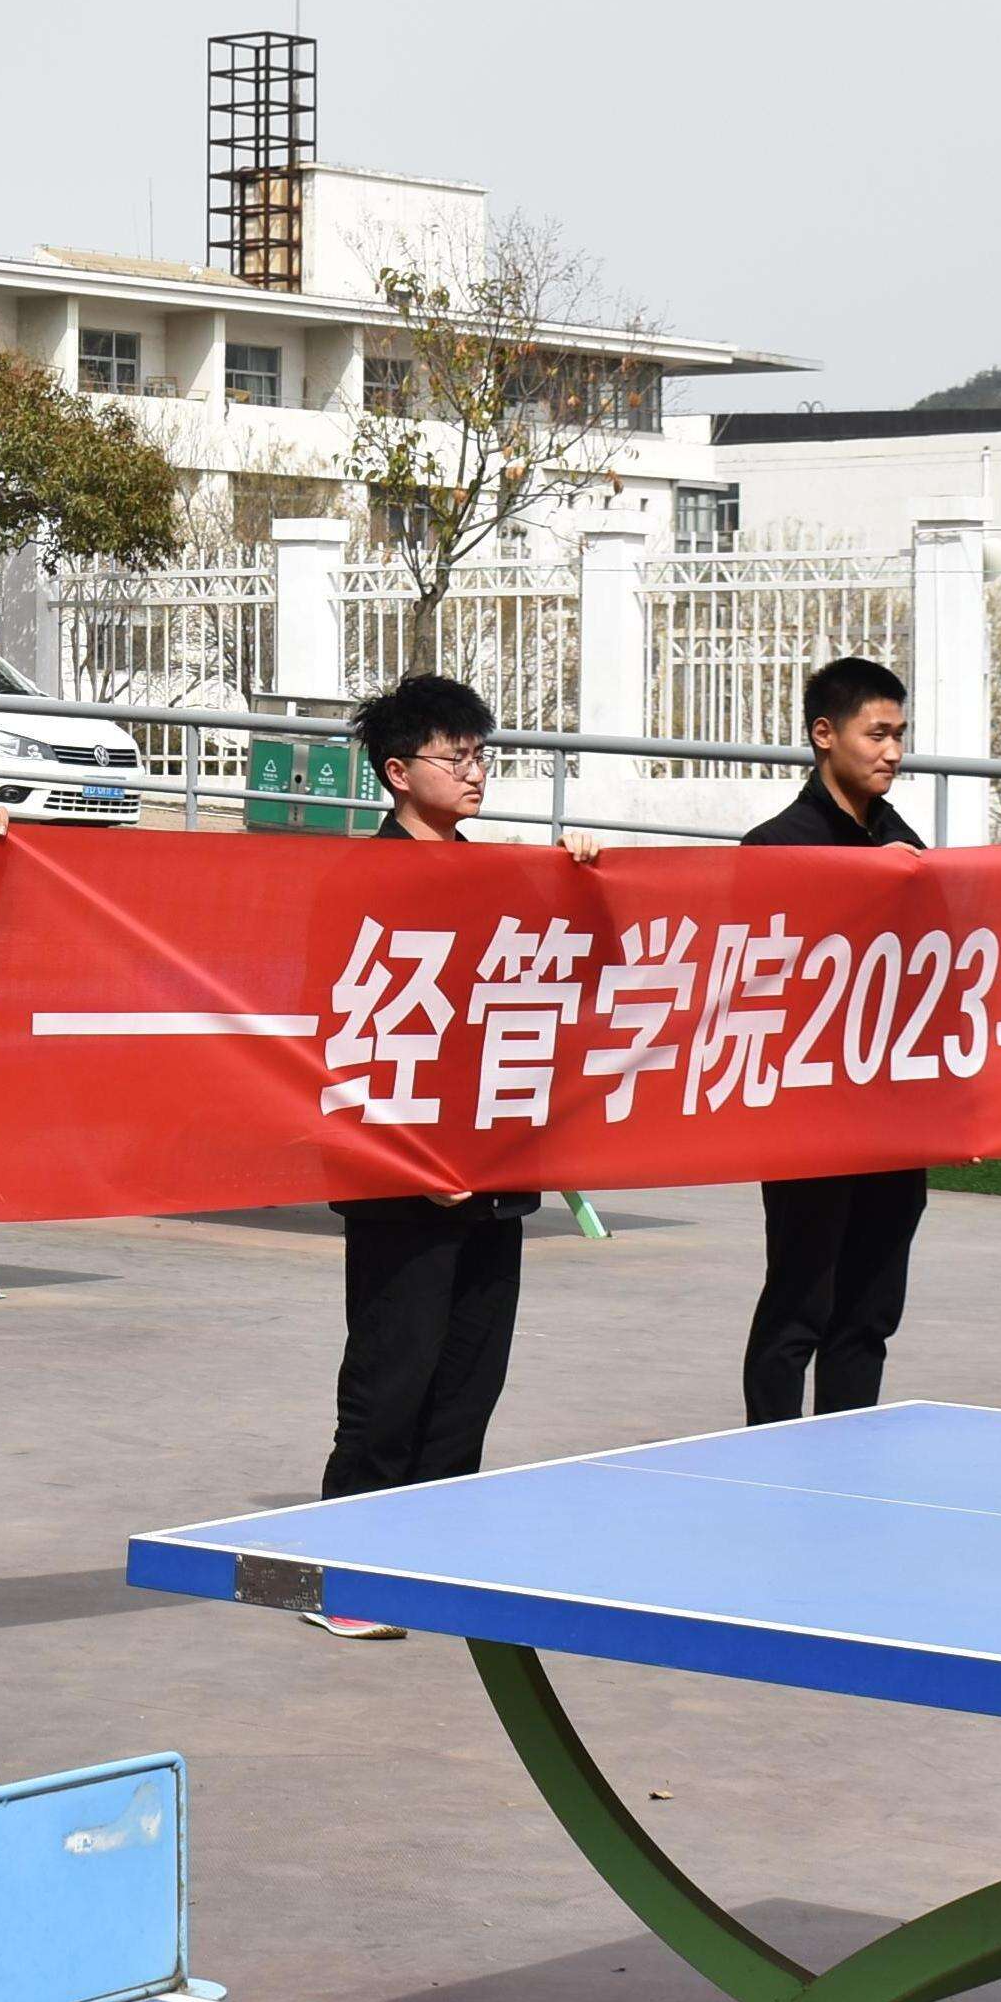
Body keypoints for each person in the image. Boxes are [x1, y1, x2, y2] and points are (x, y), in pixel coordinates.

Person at [304, 674, 603, 1642]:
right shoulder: (360, 881)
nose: (474, 773)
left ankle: (430, 1560)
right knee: (389, 1378)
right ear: (397, 773)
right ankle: (341, 1573)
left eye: (481, 755)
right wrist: (406, 1154)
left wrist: (580, 876)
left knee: (469, 1380)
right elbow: (341, 1034)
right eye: (455, 756)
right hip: (399, 1181)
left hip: (493, 1173)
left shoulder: (500, 876)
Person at [738, 656, 931, 1427]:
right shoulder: (771, 848)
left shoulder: (908, 845)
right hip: (807, 1118)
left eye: (899, 735)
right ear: (824, 734)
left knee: (869, 1313)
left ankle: (846, 1459)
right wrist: (859, 881)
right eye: (875, 734)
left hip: (894, 1117)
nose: (892, 752)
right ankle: (769, 1458)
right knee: (798, 1307)